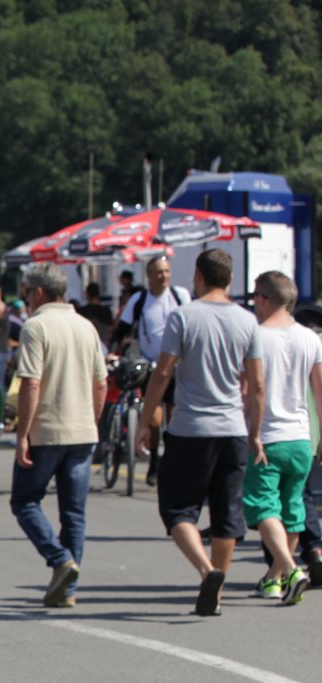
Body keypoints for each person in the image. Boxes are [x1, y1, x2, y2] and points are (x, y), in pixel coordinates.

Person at [136, 249, 261, 617]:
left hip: (191, 428)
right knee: (226, 513)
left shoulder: (183, 316)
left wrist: (145, 419)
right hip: (233, 428)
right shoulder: (247, 320)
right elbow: (257, 384)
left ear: (198, 276)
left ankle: (207, 572)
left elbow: (162, 373)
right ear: (230, 279)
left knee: (177, 508)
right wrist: (254, 431)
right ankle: (216, 594)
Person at [9, 263, 107, 608]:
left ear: (38, 293)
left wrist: (22, 433)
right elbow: (101, 383)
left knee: (24, 501)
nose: (26, 299)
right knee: (74, 513)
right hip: (82, 429)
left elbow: (31, 383)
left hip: (47, 429)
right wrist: (92, 420)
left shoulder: (36, 326)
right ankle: (67, 588)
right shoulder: (86, 326)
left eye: (27, 293)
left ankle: (60, 559)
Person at [242, 270, 322, 604]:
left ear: (263, 299)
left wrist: (252, 431)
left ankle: (290, 570)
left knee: (262, 507)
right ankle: (274, 580)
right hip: (301, 437)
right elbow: (320, 391)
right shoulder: (310, 338)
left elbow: (249, 389)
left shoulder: (256, 336)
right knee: (292, 510)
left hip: (268, 435)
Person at [115, 257, 191, 484]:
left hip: (176, 366)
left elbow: (192, 325)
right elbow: (122, 328)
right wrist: (114, 350)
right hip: (151, 367)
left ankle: (173, 461)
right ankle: (155, 461)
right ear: (149, 275)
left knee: (175, 419)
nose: (164, 276)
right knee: (155, 421)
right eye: (159, 272)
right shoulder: (139, 300)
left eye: (167, 271)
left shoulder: (180, 296)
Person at [76, 281, 115, 348]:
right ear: (98, 294)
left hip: (86, 344)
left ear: (87, 294)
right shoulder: (106, 311)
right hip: (102, 344)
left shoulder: (81, 311)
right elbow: (110, 329)